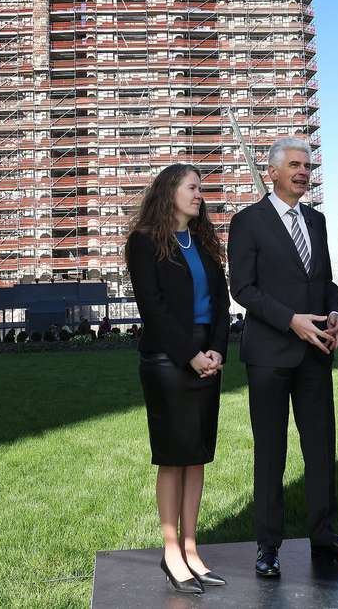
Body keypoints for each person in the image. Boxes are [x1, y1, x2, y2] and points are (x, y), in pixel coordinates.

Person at [227, 137, 338, 579]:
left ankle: (324, 537)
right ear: (271, 172)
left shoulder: (318, 220)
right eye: (294, 165)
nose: (304, 172)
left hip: (316, 355)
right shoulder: (247, 221)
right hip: (269, 355)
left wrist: (334, 312)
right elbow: (243, 289)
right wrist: (292, 321)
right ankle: (268, 546)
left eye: (308, 165)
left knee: (321, 450)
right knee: (271, 452)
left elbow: (326, 279)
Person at [126, 163, 232, 593]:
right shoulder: (143, 242)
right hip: (167, 361)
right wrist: (190, 356)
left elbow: (223, 305)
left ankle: (192, 549)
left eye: (201, 189)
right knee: (173, 456)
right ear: (169, 191)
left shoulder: (205, 243)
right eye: (192, 187)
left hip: (208, 355)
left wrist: (217, 352)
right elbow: (153, 309)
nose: (199, 195)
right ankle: (172, 553)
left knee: (197, 455)